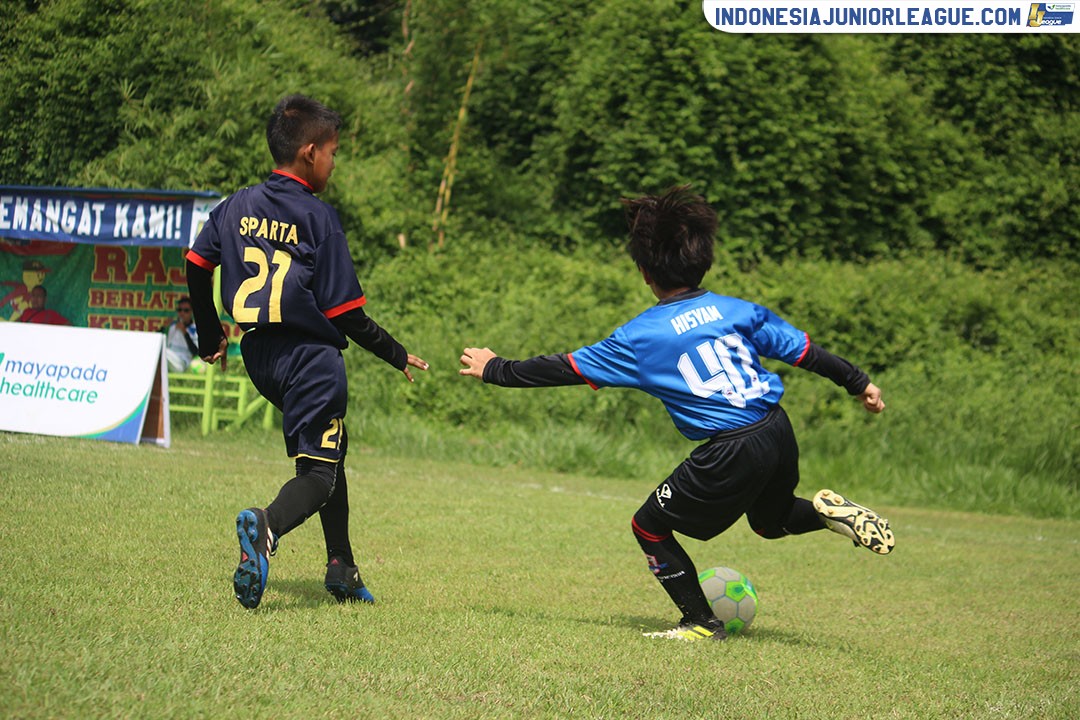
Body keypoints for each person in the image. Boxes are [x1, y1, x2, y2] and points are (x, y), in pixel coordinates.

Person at [459, 185, 894, 642]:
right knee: (771, 521)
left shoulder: (640, 337)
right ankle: (828, 515)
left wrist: (497, 370)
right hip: (776, 428)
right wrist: (858, 381)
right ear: (703, 261)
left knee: (648, 525)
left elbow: (564, 368)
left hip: (730, 447)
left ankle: (700, 623)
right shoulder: (735, 310)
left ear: (645, 272)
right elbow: (804, 351)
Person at [186, 94, 428, 610]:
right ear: (310, 153)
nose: (335, 163)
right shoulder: (318, 218)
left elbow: (195, 262)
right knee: (318, 473)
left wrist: (210, 335)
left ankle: (341, 566)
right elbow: (345, 315)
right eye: (334, 153)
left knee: (328, 450)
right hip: (311, 361)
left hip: (261, 360)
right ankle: (266, 525)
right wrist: (395, 352)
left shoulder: (236, 204)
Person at [162, 297, 199, 372]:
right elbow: (157, 340)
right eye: (179, 310)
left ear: (192, 312)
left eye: (186, 310)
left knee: (162, 353)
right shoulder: (172, 326)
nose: (182, 313)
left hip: (182, 362)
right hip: (168, 357)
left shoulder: (195, 329)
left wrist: (185, 332)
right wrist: (163, 328)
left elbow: (195, 352)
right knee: (159, 352)